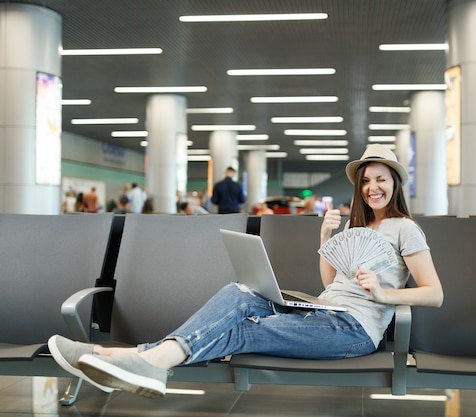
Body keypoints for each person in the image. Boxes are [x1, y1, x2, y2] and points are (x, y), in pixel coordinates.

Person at [47, 144, 443, 399]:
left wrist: (383, 294)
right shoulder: (357, 230)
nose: (373, 187)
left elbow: (433, 293)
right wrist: (325, 237)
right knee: (240, 292)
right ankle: (136, 362)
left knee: (242, 328)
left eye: (381, 180)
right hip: (325, 312)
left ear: (395, 183)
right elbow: (329, 285)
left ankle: (122, 357)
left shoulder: (405, 229)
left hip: (355, 332)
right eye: (367, 181)